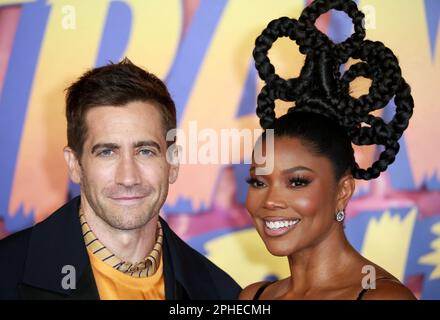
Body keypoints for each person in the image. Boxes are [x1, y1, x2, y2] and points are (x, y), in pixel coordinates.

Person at [0, 58, 241, 300]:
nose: (128, 178)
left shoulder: (220, 292)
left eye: (145, 151)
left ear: (173, 162)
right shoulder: (7, 273)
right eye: (107, 152)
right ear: (75, 164)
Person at [240, 0, 416, 300]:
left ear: (343, 191)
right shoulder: (253, 297)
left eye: (297, 181)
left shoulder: (381, 297)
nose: (270, 201)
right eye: (259, 182)